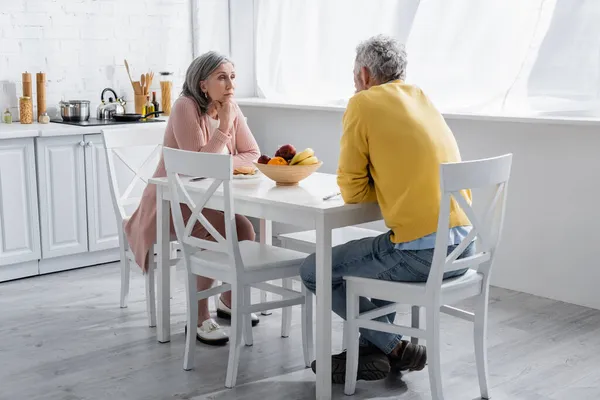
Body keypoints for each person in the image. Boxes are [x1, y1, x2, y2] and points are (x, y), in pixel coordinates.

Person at [299, 35, 475, 383]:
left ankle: (394, 348)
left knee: (314, 269)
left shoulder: (362, 103)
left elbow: (351, 190)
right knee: (371, 264)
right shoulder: (421, 97)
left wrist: (377, 185)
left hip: (424, 254)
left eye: (353, 74)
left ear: (364, 74)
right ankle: (371, 354)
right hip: (465, 249)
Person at [125, 51, 261, 345]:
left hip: (208, 198)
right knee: (219, 233)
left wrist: (223, 162)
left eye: (233, 77)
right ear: (203, 84)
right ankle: (199, 316)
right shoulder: (185, 107)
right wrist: (224, 128)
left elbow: (253, 154)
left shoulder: (230, 107)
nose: (230, 85)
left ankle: (227, 300)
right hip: (171, 200)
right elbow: (196, 168)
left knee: (245, 229)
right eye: (222, 77)